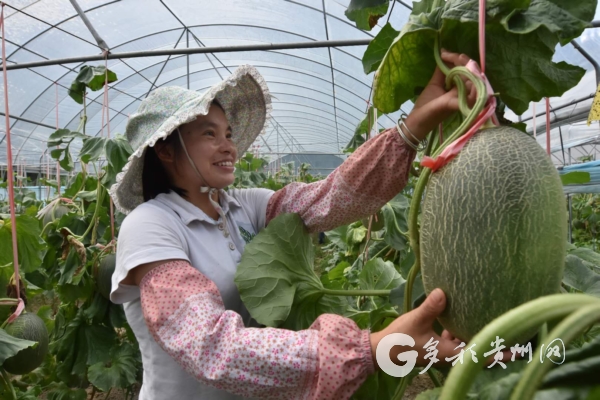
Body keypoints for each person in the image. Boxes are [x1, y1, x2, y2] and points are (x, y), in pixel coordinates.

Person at [109, 52, 477, 399]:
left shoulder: (244, 207)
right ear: (166, 150)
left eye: (228, 134)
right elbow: (207, 344)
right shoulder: (150, 225)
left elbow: (334, 197)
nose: (228, 147)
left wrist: (413, 127)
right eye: (209, 134)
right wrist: (371, 347)